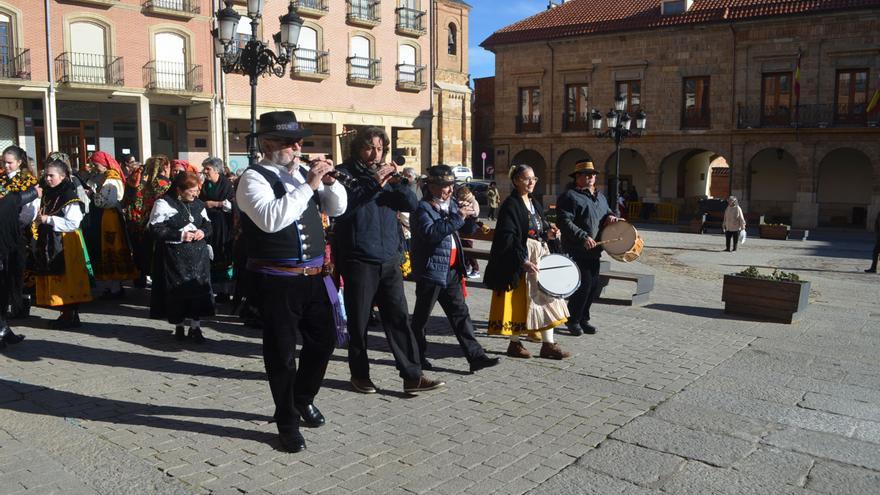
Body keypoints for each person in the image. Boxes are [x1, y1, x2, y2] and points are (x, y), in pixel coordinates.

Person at [235, 111, 347, 453]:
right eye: (289, 142)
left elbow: (338, 208)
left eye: (299, 141)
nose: (298, 148)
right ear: (269, 144)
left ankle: (302, 397)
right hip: (277, 280)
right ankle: (285, 420)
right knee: (282, 354)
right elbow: (272, 220)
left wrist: (328, 184)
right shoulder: (252, 179)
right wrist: (309, 185)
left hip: (315, 276)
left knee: (324, 342)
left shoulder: (300, 173)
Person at [334, 126, 445, 394]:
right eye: (370, 147)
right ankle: (359, 375)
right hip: (358, 258)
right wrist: (375, 182)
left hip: (388, 258)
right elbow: (345, 207)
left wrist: (400, 182)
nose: (376, 153)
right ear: (358, 148)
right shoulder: (343, 173)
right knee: (359, 322)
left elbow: (412, 204)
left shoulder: (387, 175)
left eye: (381, 148)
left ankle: (412, 375)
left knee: (398, 319)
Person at [409, 165, 500, 373]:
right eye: (443, 186)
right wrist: (457, 217)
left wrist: (469, 217)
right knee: (420, 320)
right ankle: (416, 357)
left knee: (461, 315)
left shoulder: (450, 204)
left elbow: (461, 229)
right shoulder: (422, 208)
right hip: (430, 270)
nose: (449, 190)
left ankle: (476, 357)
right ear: (431, 186)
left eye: (451, 185)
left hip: (451, 269)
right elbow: (432, 233)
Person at [483, 164, 571, 360]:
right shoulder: (510, 205)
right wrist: (521, 259)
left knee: (548, 299)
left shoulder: (535, 203)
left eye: (534, 178)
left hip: (540, 257)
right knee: (522, 302)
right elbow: (507, 237)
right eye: (526, 178)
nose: (531, 182)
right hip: (520, 259)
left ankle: (548, 344)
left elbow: (539, 230)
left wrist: (549, 233)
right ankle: (514, 344)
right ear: (516, 181)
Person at [149, 172, 215, 342]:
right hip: (175, 258)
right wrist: (180, 236)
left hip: (198, 257)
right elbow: (156, 229)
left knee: (198, 291)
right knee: (178, 293)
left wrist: (203, 231)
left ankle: (196, 327)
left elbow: (208, 225)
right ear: (179, 190)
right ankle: (179, 325)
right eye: (192, 191)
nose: (196, 194)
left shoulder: (199, 204)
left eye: (197, 190)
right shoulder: (164, 204)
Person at [556, 160, 618, 336]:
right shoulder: (569, 196)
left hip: (595, 248)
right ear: (577, 177)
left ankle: (584, 319)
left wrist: (612, 217)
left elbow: (607, 213)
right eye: (587, 174)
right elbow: (563, 221)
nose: (591, 176)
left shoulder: (600, 196)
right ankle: (573, 320)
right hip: (577, 248)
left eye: (593, 174)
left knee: (593, 286)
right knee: (583, 286)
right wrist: (583, 237)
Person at [32, 158, 92, 329]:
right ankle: (66, 314)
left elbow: (74, 222)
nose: (48, 179)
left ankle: (70, 316)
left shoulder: (68, 194)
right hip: (52, 239)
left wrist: (48, 219)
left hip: (65, 241)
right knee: (57, 276)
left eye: (52, 176)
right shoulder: (50, 193)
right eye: (46, 175)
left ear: (63, 176)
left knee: (65, 278)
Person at [86, 151, 139, 298]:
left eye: (96, 164)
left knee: (111, 247)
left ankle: (115, 287)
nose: (95, 167)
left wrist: (92, 194)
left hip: (109, 216)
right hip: (107, 216)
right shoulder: (107, 176)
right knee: (109, 247)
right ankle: (113, 286)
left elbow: (104, 200)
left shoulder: (111, 177)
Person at [0, 145, 39, 319]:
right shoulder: (1, 179)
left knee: (20, 267)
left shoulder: (28, 181)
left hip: (20, 231)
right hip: (3, 231)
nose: (6, 166)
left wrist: (15, 224)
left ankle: (21, 303)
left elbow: (30, 209)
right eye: (4, 162)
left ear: (19, 162)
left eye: (9, 162)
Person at [200, 157, 236, 302]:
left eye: (207, 169)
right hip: (209, 224)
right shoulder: (206, 185)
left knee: (223, 254)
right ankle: (212, 289)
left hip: (223, 226)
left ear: (216, 170)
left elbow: (232, 205)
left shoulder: (226, 184)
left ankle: (225, 291)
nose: (205, 171)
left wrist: (214, 203)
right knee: (212, 254)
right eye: (204, 168)